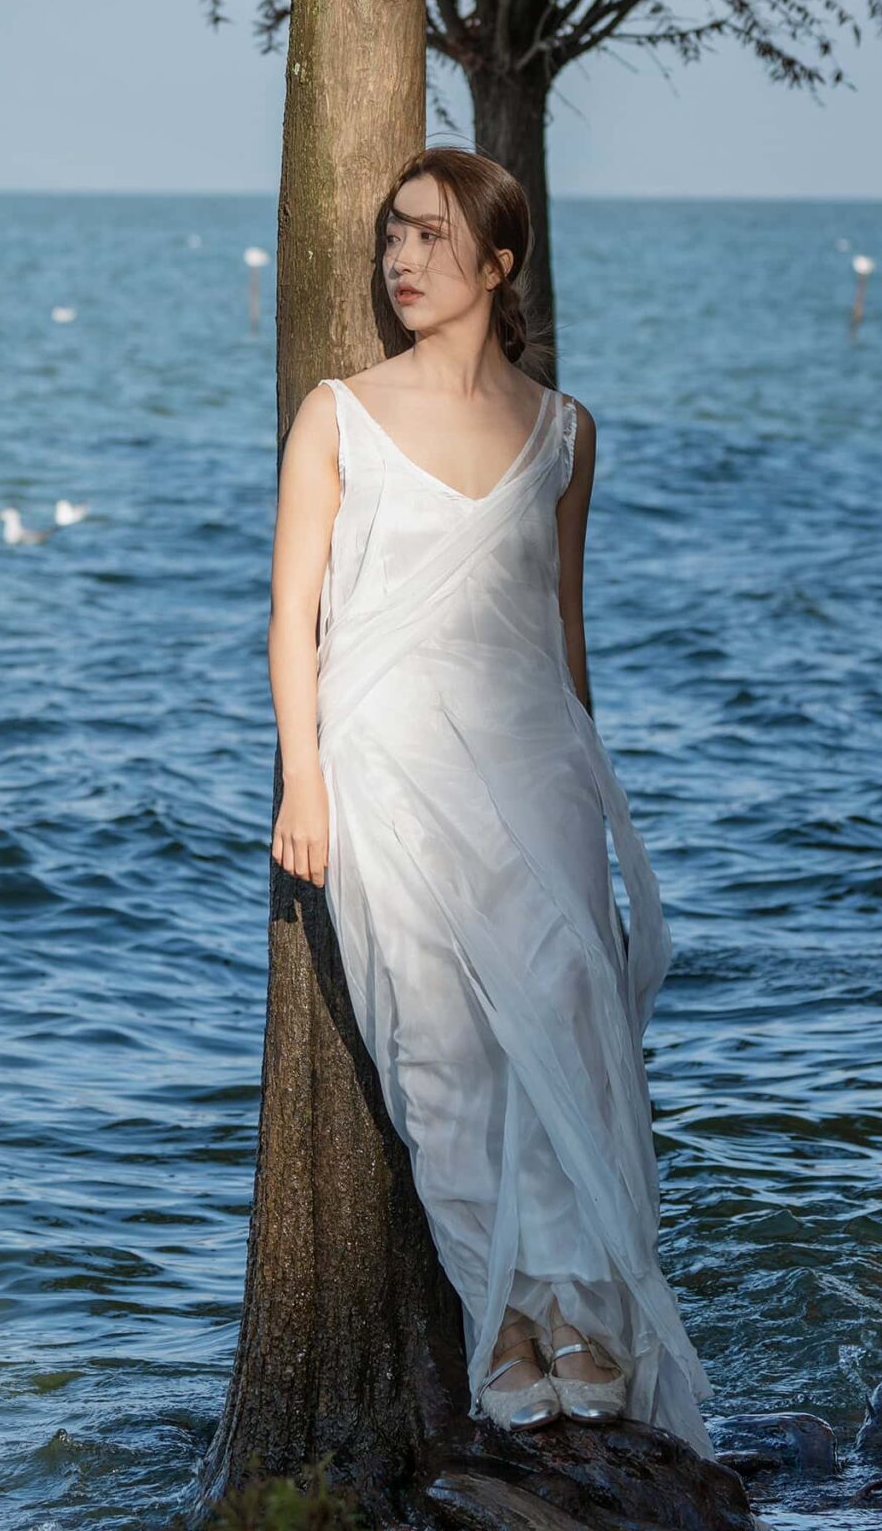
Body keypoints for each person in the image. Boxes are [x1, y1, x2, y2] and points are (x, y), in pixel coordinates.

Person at [265, 144, 714, 1447]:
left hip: (535, 767)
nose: (403, 261)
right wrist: (306, 776)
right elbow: (293, 619)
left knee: (569, 1037)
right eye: (392, 237)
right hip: (384, 766)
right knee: (440, 1056)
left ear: (498, 262)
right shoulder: (336, 414)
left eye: (434, 239)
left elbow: (562, 637)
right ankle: (501, 1324)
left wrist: (586, 790)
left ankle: (581, 1314)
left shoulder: (565, 431)